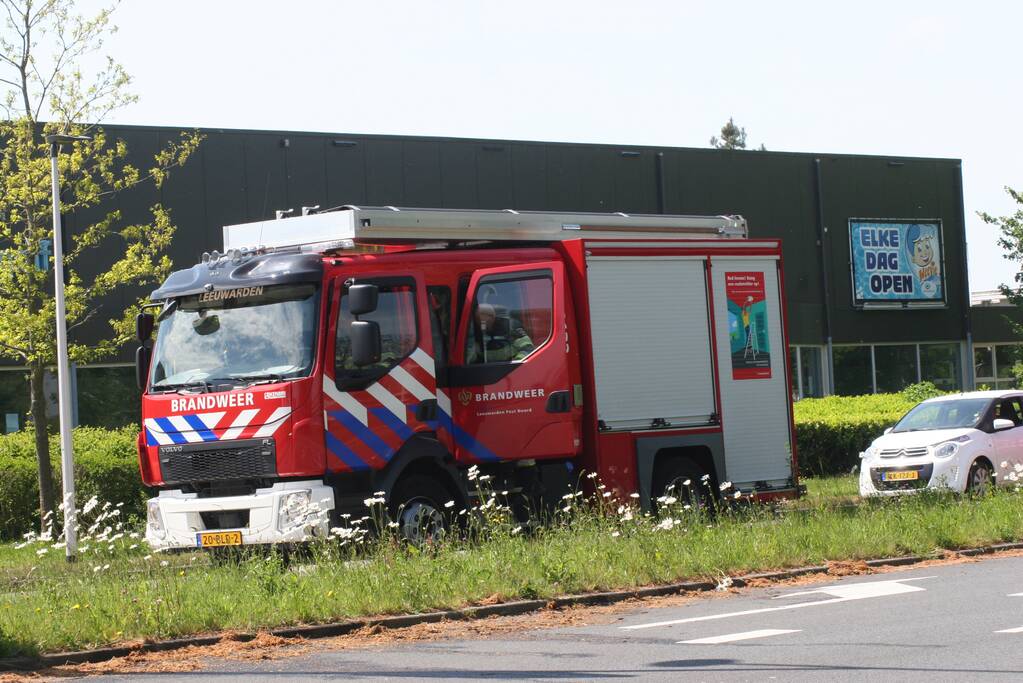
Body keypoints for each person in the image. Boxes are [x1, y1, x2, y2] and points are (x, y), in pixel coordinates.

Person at [467, 303, 534, 363]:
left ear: (492, 316)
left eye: (482, 319)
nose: (480, 323)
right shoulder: (473, 331)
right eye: (477, 319)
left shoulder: (511, 326)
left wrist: (516, 363)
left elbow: (527, 349)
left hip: (510, 366)